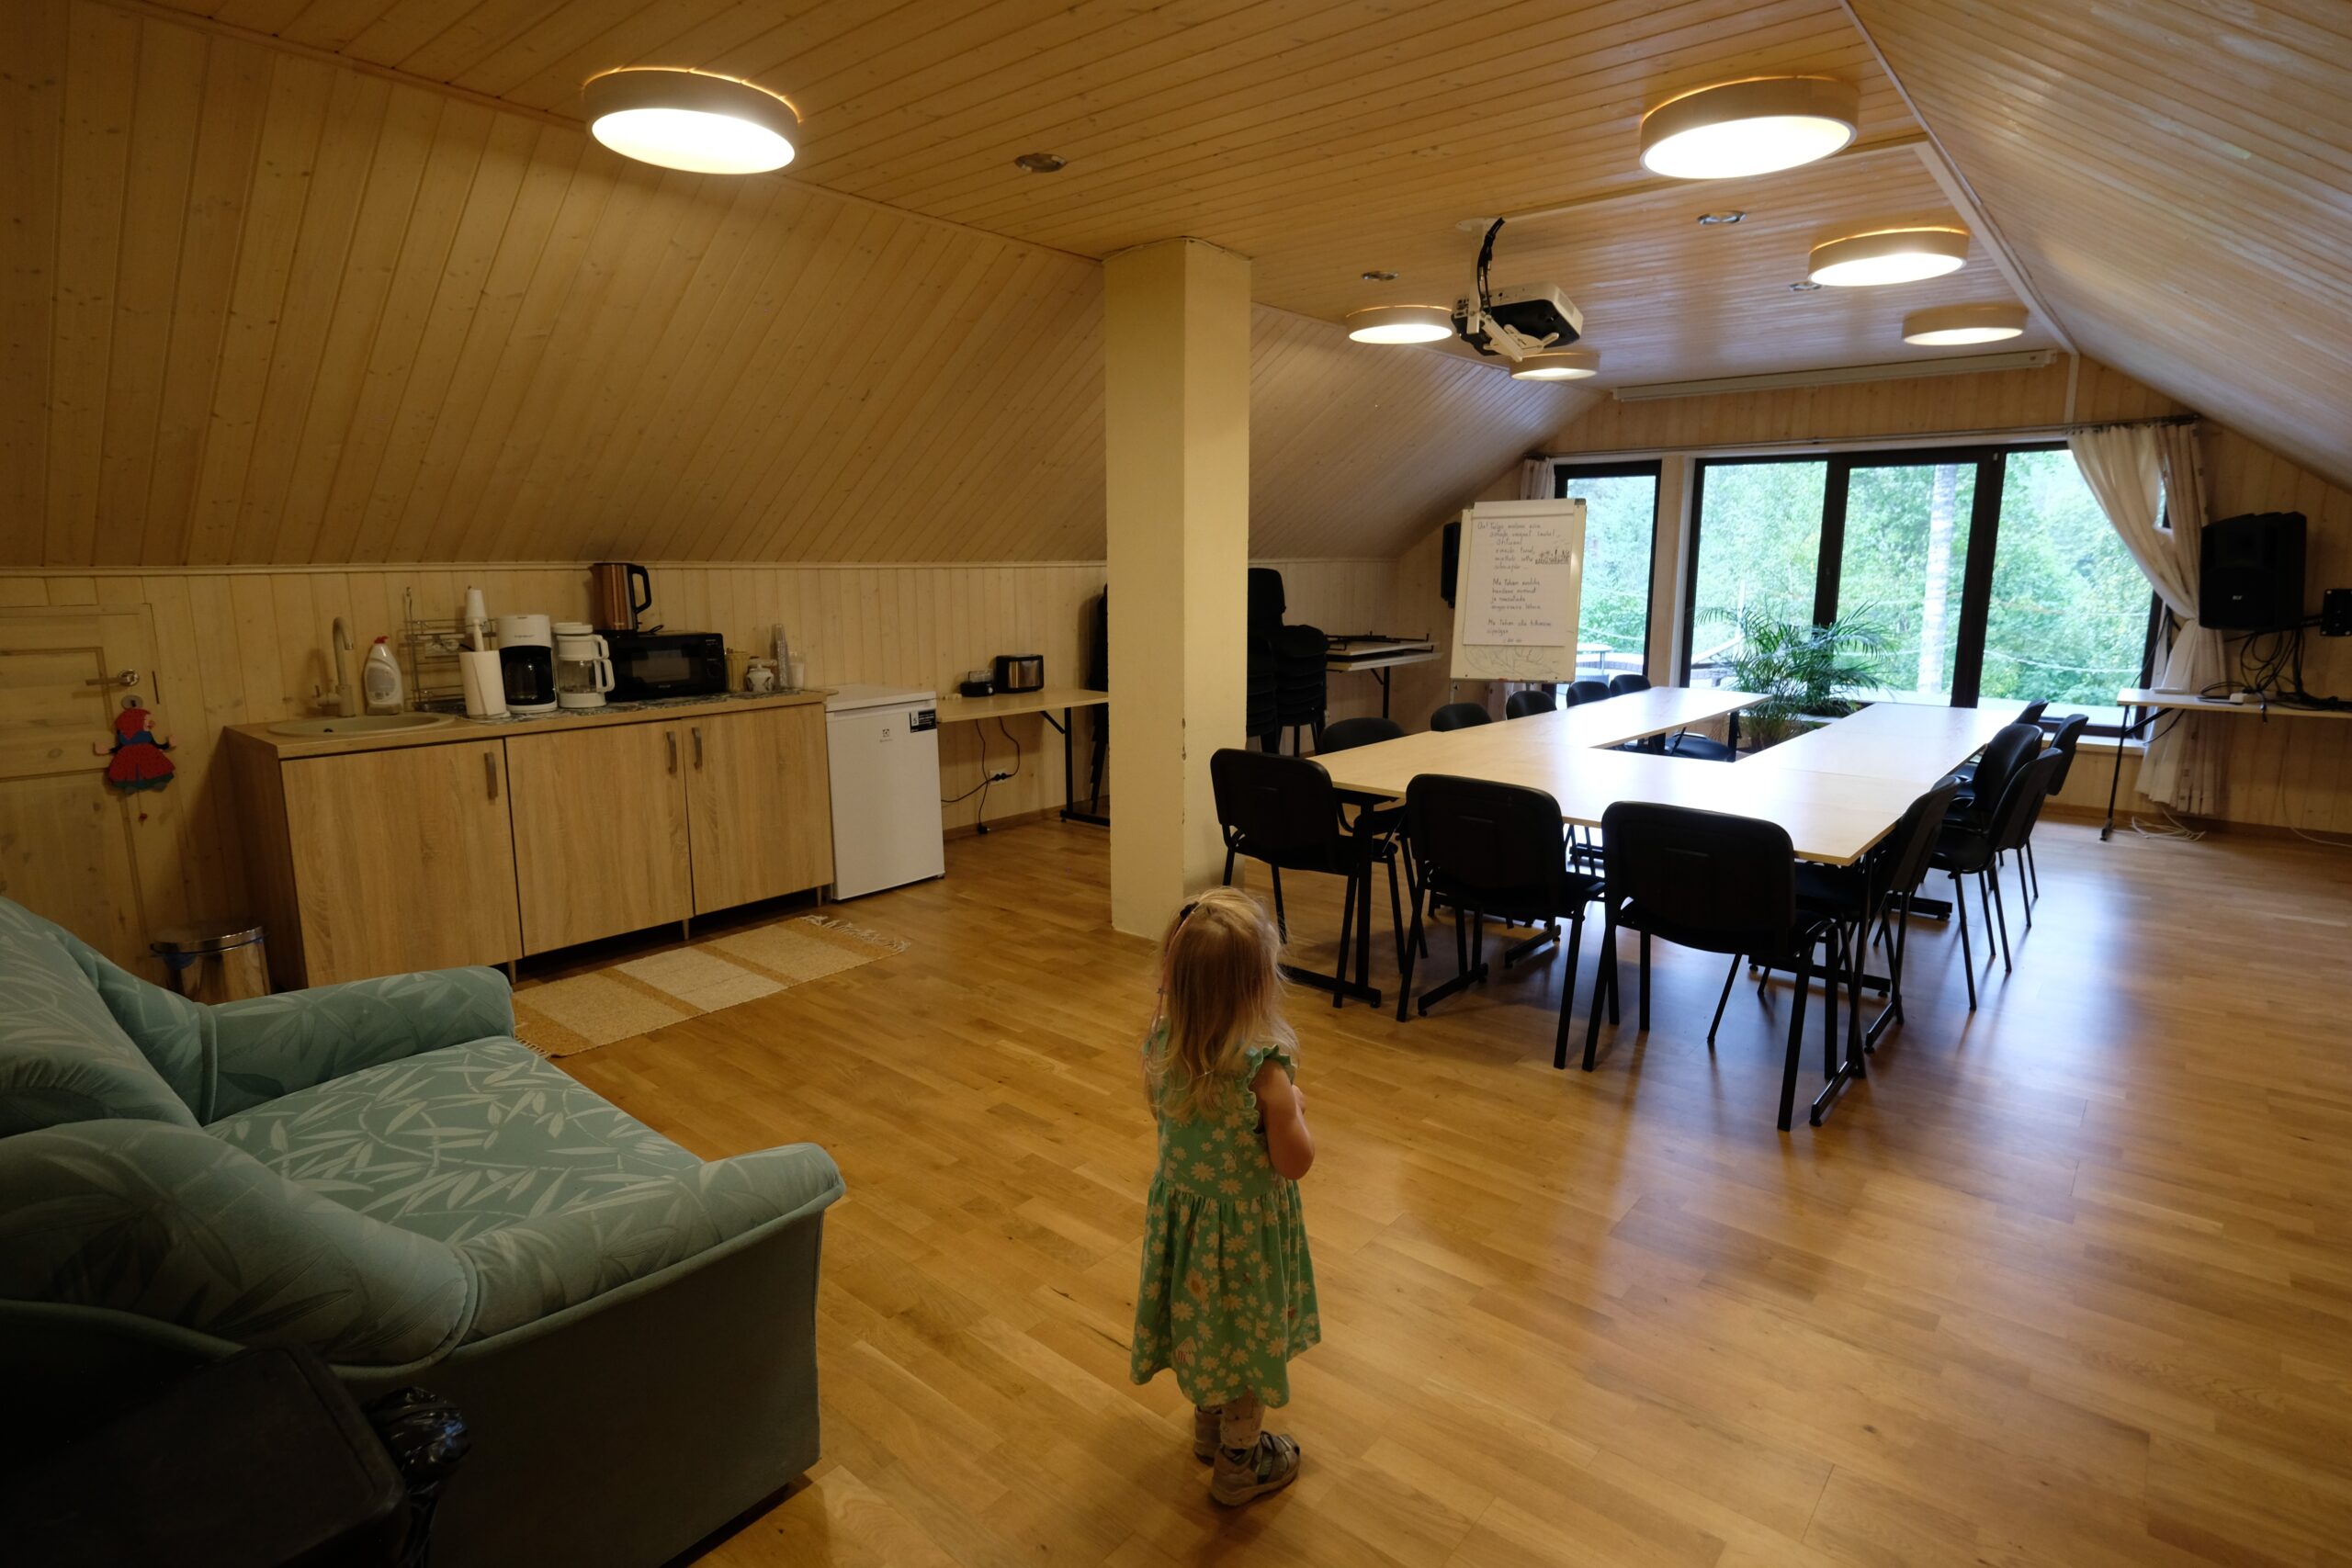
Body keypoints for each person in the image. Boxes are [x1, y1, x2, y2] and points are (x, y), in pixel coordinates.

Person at [1128, 887, 1320, 1506]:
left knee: (1206, 1326)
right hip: (1245, 1246)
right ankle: (1241, 1460)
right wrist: (1294, 1110)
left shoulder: (1162, 1046)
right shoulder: (1265, 1074)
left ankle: (1210, 1425)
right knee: (1246, 1339)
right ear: (1257, 987)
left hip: (1189, 1236)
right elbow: (1295, 1162)